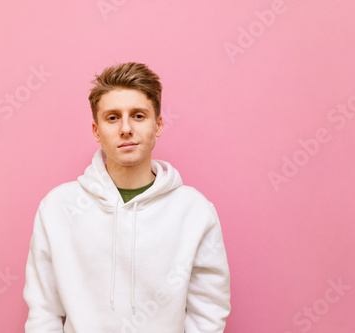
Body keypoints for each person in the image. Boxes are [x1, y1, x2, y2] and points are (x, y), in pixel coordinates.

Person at [23, 62, 231, 332]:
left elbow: (208, 309)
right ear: (96, 130)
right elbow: (43, 310)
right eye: (112, 117)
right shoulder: (58, 207)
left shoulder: (194, 211)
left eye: (138, 116)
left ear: (158, 125)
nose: (125, 128)